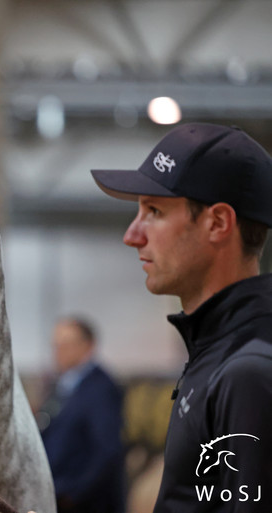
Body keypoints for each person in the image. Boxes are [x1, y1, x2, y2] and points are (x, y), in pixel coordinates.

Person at [91, 122, 272, 512]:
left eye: (154, 211)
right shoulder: (216, 354)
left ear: (218, 223)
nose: (132, 235)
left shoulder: (248, 373)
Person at [37, 316, 126, 513]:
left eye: (66, 344)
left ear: (88, 346)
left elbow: (107, 451)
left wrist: (72, 494)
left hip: (85, 504)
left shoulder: (101, 389)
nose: (58, 351)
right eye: (56, 345)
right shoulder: (61, 385)